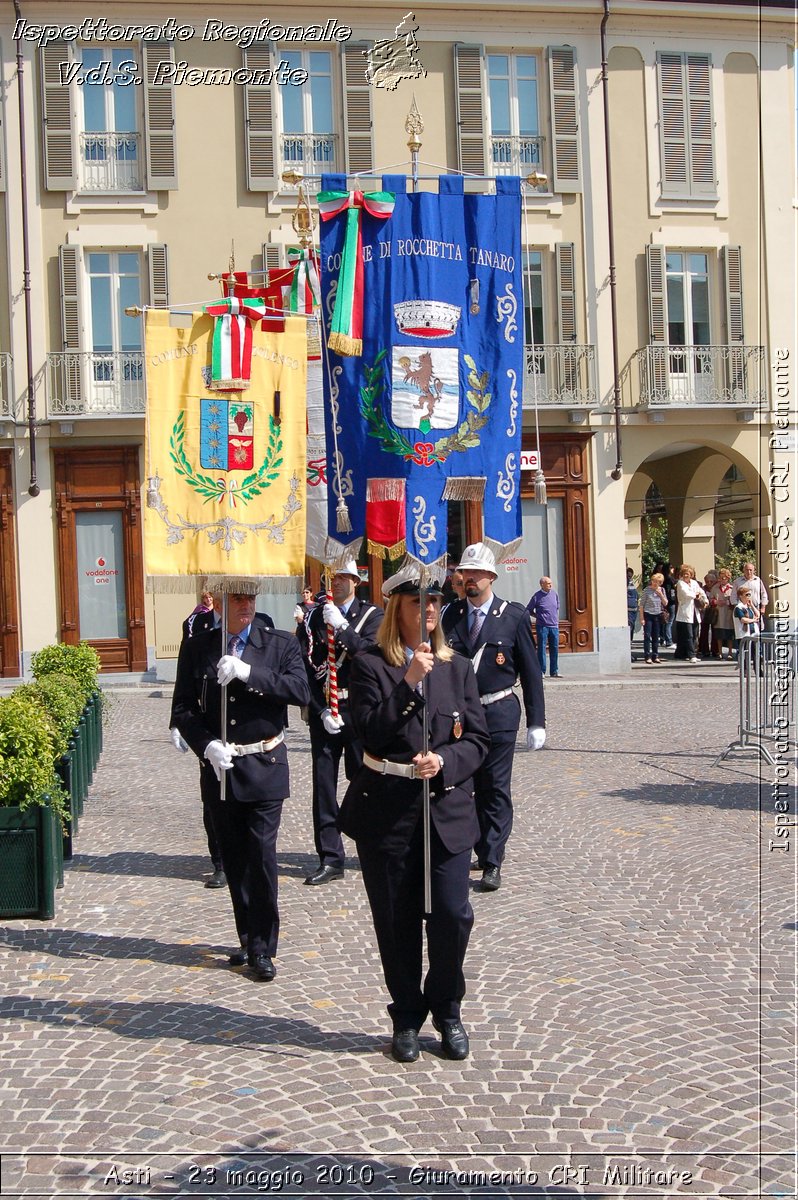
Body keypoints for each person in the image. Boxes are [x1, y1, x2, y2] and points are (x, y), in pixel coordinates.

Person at [339, 563, 490, 1063]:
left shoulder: (458, 667)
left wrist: (446, 760)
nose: (427, 610)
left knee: (451, 916)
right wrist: (407, 682)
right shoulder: (367, 665)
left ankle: (447, 1008)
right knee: (397, 921)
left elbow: (479, 742)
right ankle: (406, 1014)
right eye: (415, 603)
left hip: (445, 810)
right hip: (388, 811)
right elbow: (370, 733)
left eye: (432, 603)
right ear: (394, 610)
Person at [171, 587, 310, 981]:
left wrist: (252, 673)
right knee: (233, 857)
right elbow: (183, 707)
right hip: (221, 765)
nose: (246, 605)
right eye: (236, 598)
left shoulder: (278, 642)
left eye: (250, 597)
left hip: (264, 761)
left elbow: (301, 691)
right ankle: (247, 937)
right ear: (220, 598)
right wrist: (206, 745)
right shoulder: (199, 646)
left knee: (262, 855)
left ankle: (264, 947)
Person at [442, 542, 546, 892]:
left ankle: (491, 859)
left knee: (494, 788)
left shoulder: (513, 615)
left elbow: (531, 672)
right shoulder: (450, 615)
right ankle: (469, 846)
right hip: (460, 716)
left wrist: (537, 721)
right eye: (464, 573)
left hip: (499, 711)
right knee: (462, 785)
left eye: (474, 573)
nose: (467, 579)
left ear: (490, 576)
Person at [296, 560, 383, 885]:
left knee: (365, 783)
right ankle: (330, 857)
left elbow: (373, 656)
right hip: (326, 710)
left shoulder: (371, 615)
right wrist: (318, 709)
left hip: (359, 710)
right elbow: (303, 667)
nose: (337, 582)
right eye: (332, 577)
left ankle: (370, 846)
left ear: (356, 580)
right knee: (323, 787)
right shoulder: (313, 618)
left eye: (343, 577)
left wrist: (344, 629)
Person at [527, 576, 561, 677]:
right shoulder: (537, 596)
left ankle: (554, 671)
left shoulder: (554, 594)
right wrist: (538, 616)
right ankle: (541, 671)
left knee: (554, 648)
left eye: (551, 583)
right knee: (542, 648)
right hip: (542, 626)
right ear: (542, 585)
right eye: (548, 583)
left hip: (554, 626)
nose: (550, 585)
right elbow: (528, 609)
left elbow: (557, 607)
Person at [673, 565, 707, 663]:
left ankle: (682, 654)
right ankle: (692, 655)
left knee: (695, 634)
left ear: (691, 575)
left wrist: (705, 601)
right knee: (688, 635)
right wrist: (696, 595)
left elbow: (701, 592)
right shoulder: (680, 583)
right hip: (685, 612)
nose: (686, 576)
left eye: (688, 574)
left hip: (694, 613)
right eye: (684, 574)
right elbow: (686, 594)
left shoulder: (694, 583)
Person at [639, 571, 668, 663]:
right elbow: (641, 605)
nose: (655, 583)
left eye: (658, 582)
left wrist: (660, 595)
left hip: (657, 615)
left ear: (661, 583)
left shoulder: (662, 590)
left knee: (656, 636)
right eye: (654, 581)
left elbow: (665, 603)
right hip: (648, 615)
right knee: (647, 636)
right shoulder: (646, 590)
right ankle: (647, 656)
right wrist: (642, 618)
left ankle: (655, 655)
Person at [709, 568, 735, 660]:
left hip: (728, 613)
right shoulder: (715, 587)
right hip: (718, 614)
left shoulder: (732, 588)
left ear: (728, 578)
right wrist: (716, 602)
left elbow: (735, 600)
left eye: (724, 578)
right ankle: (719, 652)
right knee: (719, 634)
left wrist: (728, 603)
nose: (722, 580)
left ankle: (730, 652)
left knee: (729, 635)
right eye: (720, 578)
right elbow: (710, 599)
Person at [625, 568, 639, 658]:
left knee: (631, 632)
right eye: (628, 575)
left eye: (630, 576)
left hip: (633, 611)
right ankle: (627, 654)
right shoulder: (624, 582)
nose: (629, 577)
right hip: (628, 611)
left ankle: (629, 653)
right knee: (628, 632)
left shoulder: (630, 582)